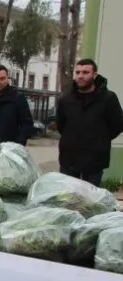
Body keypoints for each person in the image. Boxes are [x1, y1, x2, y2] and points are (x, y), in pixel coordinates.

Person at [56, 58, 123, 186]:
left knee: (90, 202)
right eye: (78, 72)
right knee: (67, 199)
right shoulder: (66, 99)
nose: (80, 76)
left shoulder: (108, 98)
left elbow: (117, 124)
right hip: (69, 160)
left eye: (85, 72)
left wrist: (100, 139)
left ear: (94, 75)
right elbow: (61, 125)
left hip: (94, 161)